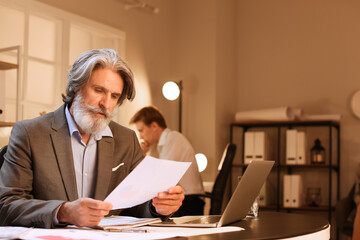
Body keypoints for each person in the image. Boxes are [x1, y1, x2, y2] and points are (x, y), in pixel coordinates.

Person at [0, 49, 184, 228]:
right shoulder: (29, 133)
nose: (106, 104)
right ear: (76, 86)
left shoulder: (126, 140)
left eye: (114, 96)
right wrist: (63, 211)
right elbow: (6, 205)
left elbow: (136, 205)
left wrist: (157, 206)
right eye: (98, 90)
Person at [130, 106, 205, 216]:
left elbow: (161, 180)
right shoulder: (164, 144)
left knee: (141, 211)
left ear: (154, 126)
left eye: (141, 130)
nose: (141, 136)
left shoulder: (172, 139)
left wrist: (141, 155)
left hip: (189, 202)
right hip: (186, 200)